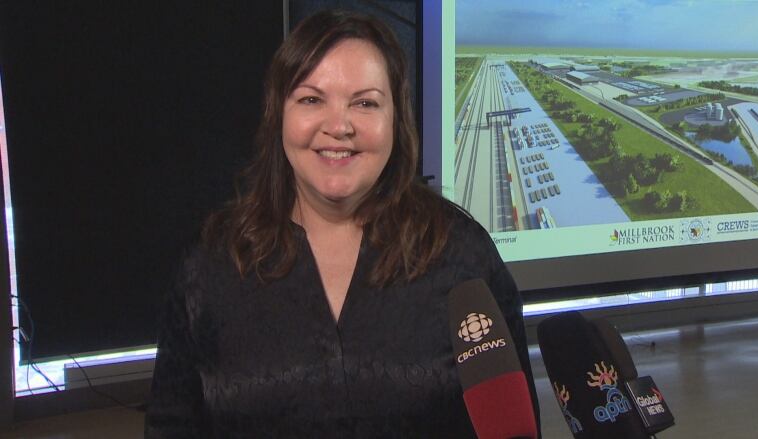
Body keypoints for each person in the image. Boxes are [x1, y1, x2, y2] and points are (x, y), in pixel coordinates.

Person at [145, 9, 540, 438]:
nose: (339, 126)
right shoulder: (210, 266)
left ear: (396, 120)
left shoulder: (463, 256)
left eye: (365, 103)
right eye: (311, 99)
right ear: (279, 114)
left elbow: (515, 425)